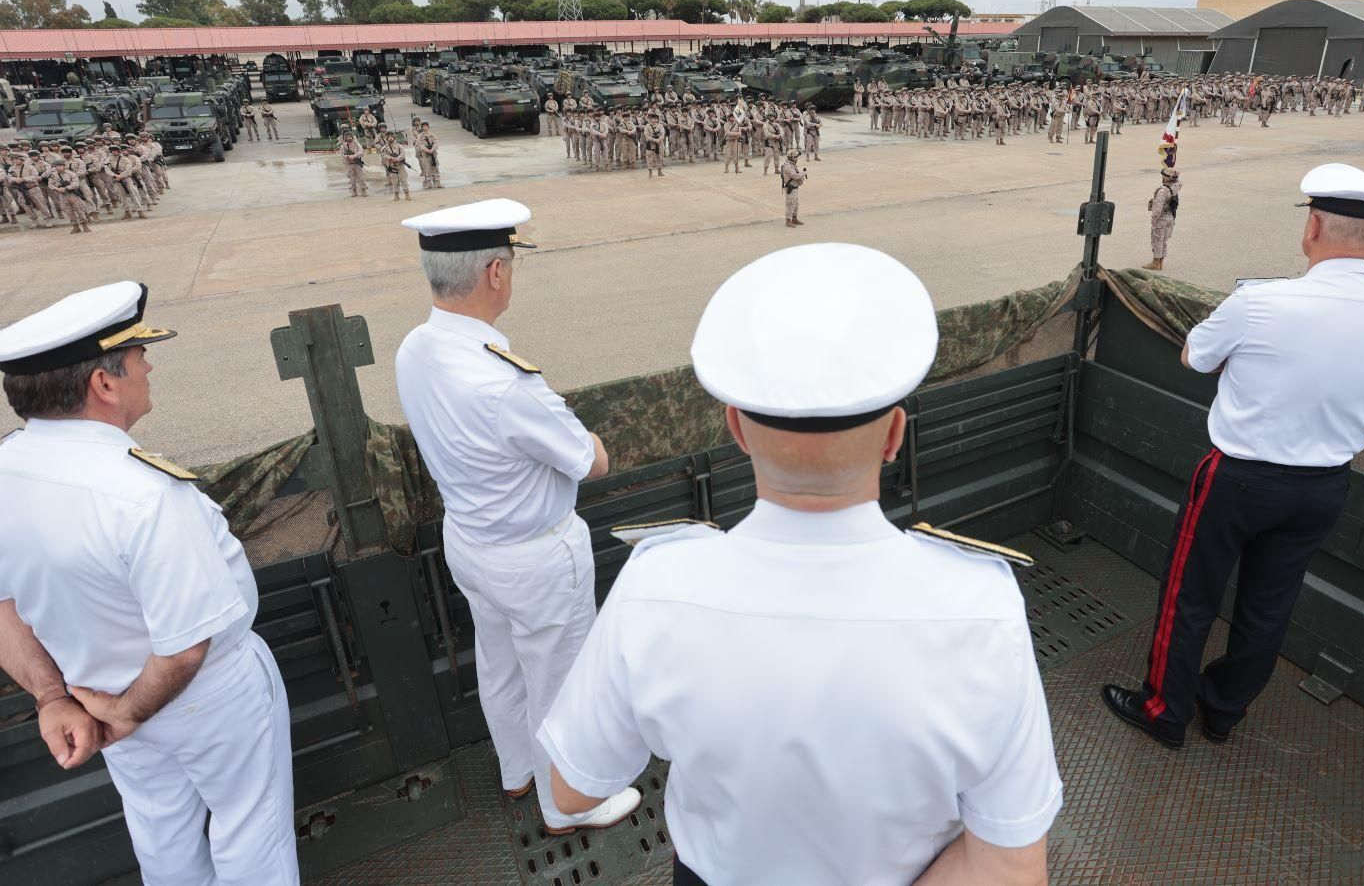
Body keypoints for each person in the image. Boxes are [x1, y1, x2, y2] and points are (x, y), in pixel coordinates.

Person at [539, 242, 1062, 885]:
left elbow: (572, 791)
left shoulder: (657, 586)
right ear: (896, 435)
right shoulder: (982, 606)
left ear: (735, 429)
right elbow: (1012, 868)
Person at [0, 281, 298, 883]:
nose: (149, 365)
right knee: (252, 834)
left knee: (162, 837)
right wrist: (130, 712)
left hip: (95, 697)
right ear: (104, 384)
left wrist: (54, 696)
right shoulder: (145, 493)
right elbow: (186, 647)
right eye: (138, 356)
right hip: (205, 698)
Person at [1102, 163, 1364, 747]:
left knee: (1190, 594)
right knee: (1268, 608)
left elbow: (1195, 357)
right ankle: (1222, 711)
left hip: (1238, 479)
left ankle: (1164, 711)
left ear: (1312, 226)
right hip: (1322, 488)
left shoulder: (1261, 302)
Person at [393, 200, 639, 834]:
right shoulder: (505, 382)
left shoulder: (415, 349)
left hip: (470, 542)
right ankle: (565, 807)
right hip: (534, 556)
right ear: (495, 273)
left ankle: (515, 773)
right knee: (561, 683)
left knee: (499, 667)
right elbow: (594, 462)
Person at [1146, 166, 1181, 270]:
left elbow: (1157, 209)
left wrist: (1154, 220)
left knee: (1157, 240)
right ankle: (1161, 262)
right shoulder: (1176, 186)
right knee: (1164, 240)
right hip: (1171, 217)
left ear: (1167, 178)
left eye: (1164, 176)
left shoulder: (1163, 191)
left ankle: (1155, 262)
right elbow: (1178, 180)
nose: (1162, 177)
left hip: (1162, 218)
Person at [779, 147, 806, 227]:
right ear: (793, 157)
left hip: (795, 187)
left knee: (796, 204)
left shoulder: (792, 164)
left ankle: (794, 218)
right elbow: (795, 176)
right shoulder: (788, 166)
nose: (797, 159)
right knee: (790, 204)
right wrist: (803, 173)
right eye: (796, 157)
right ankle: (788, 221)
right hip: (790, 187)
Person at [338, 129, 367, 197]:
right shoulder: (343, 146)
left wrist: (354, 156)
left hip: (357, 163)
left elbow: (361, 152)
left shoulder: (357, 145)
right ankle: (354, 191)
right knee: (352, 179)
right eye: (347, 137)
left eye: (349, 137)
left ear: (352, 137)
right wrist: (348, 156)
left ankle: (363, 190)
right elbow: (342, 154)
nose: (348, 138)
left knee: (361, 178)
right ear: (345, 138)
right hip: (349, 164)